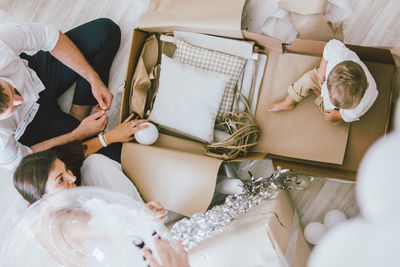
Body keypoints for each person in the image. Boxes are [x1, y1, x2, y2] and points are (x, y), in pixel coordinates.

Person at [0, 18, 120, 171]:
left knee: (106, 31)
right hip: (31, 128)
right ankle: (75, 123)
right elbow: (25, 159)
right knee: (114, 154)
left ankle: (78, 113)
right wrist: (77, 134)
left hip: (37, 74)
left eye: (13, 91)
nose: (20, 100)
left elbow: (48, 37)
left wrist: (92, 78)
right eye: (11, 108)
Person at [267, 39, 378, 123]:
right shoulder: (339, 56)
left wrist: (338, 116)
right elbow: (330, 45)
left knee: (330, 118)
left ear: (367, 85)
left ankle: (319, 96)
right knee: (307, 79)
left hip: (331, 96)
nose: (329, 97)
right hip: (324, 79)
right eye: (329, 96)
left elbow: (348, 116)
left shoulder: (360, 105)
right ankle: (288, 102)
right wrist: (323, 66)